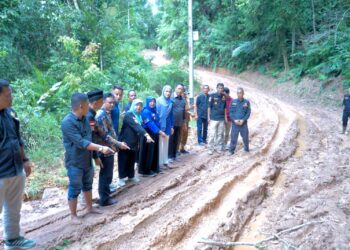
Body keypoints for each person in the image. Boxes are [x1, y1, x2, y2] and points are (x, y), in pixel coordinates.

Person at [61, 93, 114, 224]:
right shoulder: (67, 122)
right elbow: (81, 142)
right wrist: (101, 149)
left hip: (87, 159)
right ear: (81, 106)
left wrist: (96, 157)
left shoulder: (85, 118)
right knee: (75, 187)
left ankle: (89, 208)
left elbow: (89, 138)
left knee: (87, 184)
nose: (89, 106)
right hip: (75, 162)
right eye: (87, 104)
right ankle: (73, 215)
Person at [0, 79, 36, 249]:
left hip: (15, 168)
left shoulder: (10, 113)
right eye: (8, 95)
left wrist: (25, 160)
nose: (11, 97)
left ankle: (12, 240)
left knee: (13, 208)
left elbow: (18, 138)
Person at [95, 93, 130, 206]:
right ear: (103, 102)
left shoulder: (107, 113)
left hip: (109, 148)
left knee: (108, 173)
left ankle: (105, 195)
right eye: (109, 102)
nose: (112, 105)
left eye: (113, 103)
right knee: (105, 174)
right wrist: (119, 144)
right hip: (104, 149)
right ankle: (104, 199)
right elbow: (105, 135)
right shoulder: (100, 115)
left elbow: (111, 131)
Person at [118, 99, 154, 187]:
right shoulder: (128, 115)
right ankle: (121, 178)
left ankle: (131, 176)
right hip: (125, 141)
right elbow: (136, 126)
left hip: (134, 141)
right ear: (133, 105)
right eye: (137, 105)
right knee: (123, 159)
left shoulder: (139, 116)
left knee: (131, 159)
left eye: (140, 105)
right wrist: (147, 135)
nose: (138, 107)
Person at [139, 97, 167, 176]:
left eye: (154, 101)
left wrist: (159, 130)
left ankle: (154, 168)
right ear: (147, 102)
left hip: (154, 133)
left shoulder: (154, 111)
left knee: (154, 150)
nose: (152, 103)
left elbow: (157, 121)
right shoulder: (145, 111)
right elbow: (149, 123)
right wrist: (159, 131)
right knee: (148, 152)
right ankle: (146, 171)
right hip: (147, 133)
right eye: (150, 101)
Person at [229, 87, 251, 155]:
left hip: (243, 124)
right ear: (236, 94)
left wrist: (243, 120)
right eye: (238, 93)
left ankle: (246, 149)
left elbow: (248, 112)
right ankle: (231, 150)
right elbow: (231, 112)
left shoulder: (246, 102)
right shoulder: (233, 102)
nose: (239, 94)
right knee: (233, 138)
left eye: (240, 93)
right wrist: (234, 120)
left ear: (243, 93)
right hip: (235, 124)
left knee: (245, 137)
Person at [156, 85, 174, 168]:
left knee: (166, 142)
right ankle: (159, 163)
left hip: (168, 124)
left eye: (169, 91)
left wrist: (172, 126)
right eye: (166, 91)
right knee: (160, 144)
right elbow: (156, 114)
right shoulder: (158, 101)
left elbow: (171, 115)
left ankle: (165, 161)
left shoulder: (171, 102)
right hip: (160, 124)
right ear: (163, 91)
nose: (168, 93)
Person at [208, 83, 227, 155]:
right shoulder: (212, 96)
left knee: (220, 134)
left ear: (223, 89)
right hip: (213, 118)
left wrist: (225, 117)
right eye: (219, 88)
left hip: (221, 118)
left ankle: (218, 148)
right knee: (212, 134)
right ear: (216, 88)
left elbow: (225, 108)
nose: (220, 89)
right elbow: (209, 107)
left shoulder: (224, 97)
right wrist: (208, 117)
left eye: (222, 88)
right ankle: (210, 148)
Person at [168, 84, 186, 161]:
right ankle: (169, 156)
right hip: (171, 123)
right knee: (170, 140)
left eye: (181, 89)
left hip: (179, 123)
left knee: (177, 139)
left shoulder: (183, 100)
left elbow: (183, 112)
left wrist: (184, 122)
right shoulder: (170, 98)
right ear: (175, 88)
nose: (180, 90)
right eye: (178, 88)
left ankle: (174, 155)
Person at [178, 87, 191, 154]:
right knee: (180, 134)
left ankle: (182, 148)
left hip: (187, 118)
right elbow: (186, 109)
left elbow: (188, 108)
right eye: (183, 92)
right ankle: (178, 149)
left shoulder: (186, 99)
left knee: (185, 134)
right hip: (181, 119)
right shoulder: (180, 100)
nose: (184, 93)